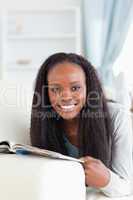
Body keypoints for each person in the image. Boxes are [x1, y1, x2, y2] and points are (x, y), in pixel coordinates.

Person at [30, 52, 133, 197]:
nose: (65, 96)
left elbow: (127, 186)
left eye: (75, 88)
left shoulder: (118, 117)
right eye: (55, 89)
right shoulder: (44, 123)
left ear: (88, 89)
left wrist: (107, 180)